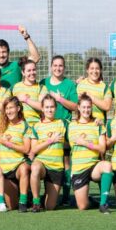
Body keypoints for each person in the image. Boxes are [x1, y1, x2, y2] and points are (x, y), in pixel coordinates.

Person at [40, 55, 78, 205]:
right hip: (46, 127)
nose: (57, 68)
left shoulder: (69, 84)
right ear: (51, 67)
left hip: (64, 126)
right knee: (47, 159)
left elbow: (75, 106)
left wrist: (60, 99)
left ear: (64, 67)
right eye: (55, 65)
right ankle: (48, 192)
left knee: (65, 161)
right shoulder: (43, 83)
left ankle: (66, 195)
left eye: (60, 65)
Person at [67, 95, 113, 213]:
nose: (86, 110)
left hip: (93, 166)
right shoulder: (71, 126)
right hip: (79, 168)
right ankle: (92, 201)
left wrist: (86, 143)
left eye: (89, 107)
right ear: (78, 107)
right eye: (83, 107)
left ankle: (103, 204)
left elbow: (102, 149)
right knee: (83, 206)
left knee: (107, 165)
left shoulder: (97, 125)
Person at [28, 95, 66, 212]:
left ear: (56, 108)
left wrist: (96, 120)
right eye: (47, 107)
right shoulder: (37, 126)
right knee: (35, 167)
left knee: (50, 207)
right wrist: (51, 140)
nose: (50, 110)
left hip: (56, 167)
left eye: (52, 107)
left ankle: (45, 196)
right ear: (42, 109)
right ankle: (35, 202)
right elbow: (34, 149)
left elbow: (79, 124)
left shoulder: (63, 123)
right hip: (42, 164)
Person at [0, 96, 32, 212]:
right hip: (6, 170)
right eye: (6, 108)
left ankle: (23, 201)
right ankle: (25, 193)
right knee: (11, 206)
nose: (9, 111)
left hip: (18, 166)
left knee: (24, 169)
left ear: (18, 108)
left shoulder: (25, 126)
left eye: (11, 108)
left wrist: (9, 144)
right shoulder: (1, 125)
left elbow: (26, 149)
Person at [11, 58, 48, 126]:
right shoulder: (16, 87)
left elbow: (42, 107)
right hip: (19, 125)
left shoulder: (42, 88)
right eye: (29, 70)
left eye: (34, 70)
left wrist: (26, 100)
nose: (32, 73)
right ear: (23, 72)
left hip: (36, 125)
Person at [76, 57, 112, 123]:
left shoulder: (105, 87)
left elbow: (107, 106)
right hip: (83, 125)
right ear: (87, 70)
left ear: (100, 70)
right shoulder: (80, 85)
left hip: (99, 125)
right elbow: (76, 105)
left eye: (97, 68)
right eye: (92, 68)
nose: (94, 71)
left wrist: (91, 97)